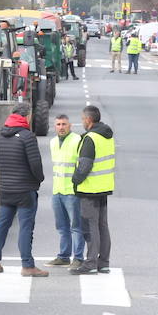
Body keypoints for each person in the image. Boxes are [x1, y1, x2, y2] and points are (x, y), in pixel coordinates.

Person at [0, 102, 47, 277]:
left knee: (1, 225)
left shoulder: (1, 136)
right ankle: (27, 265)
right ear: (27, 116)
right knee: (26, 227)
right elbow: (35, 164)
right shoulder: (27, 136)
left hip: (6, 189)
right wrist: (39, 179)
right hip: (25, 190)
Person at [71, 104, 115, 275]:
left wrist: (75, 181)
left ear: (88, 120)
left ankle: (90, 264)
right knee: (102, 226)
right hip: (103, 187)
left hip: (90, 189)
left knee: (90, 227)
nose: (82, 122)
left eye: (82, 119)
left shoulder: (90, 138)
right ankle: (103, 263)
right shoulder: (106, 136)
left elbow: (84, 166)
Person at [47, 114, 85, 268]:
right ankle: (63, 256)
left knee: (76, 227)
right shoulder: (53, 142)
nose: (61, 127)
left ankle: (78, 258)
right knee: (62, 227)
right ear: (54, 127)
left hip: (72, 191)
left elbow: (83, 165)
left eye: (64, 124)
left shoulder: (77, 140)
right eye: (58, 124)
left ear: (70, 126)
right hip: (57, 191)